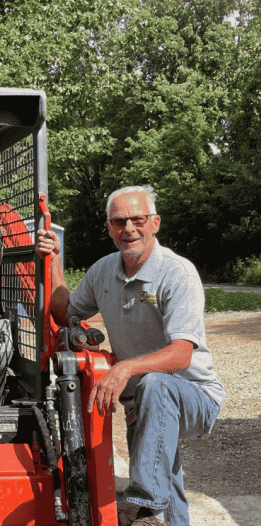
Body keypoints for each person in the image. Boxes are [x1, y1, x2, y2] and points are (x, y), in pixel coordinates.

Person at [35, 185, 225, 526]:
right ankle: (162, 512)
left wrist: (124, 368)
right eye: (119, 221)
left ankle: (146, 507)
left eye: (137, 219)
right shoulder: (103, 271)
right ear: (109, 228)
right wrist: (54, 260)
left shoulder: (176, 274)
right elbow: (66, 313)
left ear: (155, 223)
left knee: (154, 388)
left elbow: (181, 354)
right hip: (144, 401)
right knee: (164, 471)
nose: (129, 229)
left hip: (194, 396)